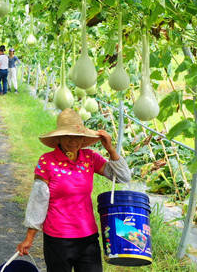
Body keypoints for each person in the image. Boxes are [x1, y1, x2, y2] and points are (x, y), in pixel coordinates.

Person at [16, 109, 132, 272]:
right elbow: (38, 201)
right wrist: (29, 238)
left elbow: (123, 177)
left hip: (88, 237)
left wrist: (110, 149)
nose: (73, 141)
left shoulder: (89, 158)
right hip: (58, 239)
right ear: (59, 138)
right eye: (68, 136)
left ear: (83, 138)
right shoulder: (47, 161)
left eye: (77, 136)